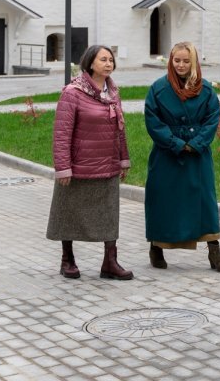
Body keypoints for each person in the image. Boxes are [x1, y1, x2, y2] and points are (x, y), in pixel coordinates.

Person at [47, 44, 133, 281]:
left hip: (107, 164)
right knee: (69, 212)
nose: (109, 63)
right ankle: (67, 260)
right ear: (90, 63)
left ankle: (110, 262)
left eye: (111, 59)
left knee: (109, 214)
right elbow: (62, 133)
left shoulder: (113, 92)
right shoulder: (72, 92)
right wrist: (63, 167)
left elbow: (120, 129)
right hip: (79, 166)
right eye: (103, 59)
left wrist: (123, 160)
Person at [144, 42, 220, 272]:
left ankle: (214, 250)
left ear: (194, 62)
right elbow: (153, 121)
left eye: (186, 60)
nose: (180, 65)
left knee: (204, 201)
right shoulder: (158, 89)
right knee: (162, 200)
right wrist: (177, 144)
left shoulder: (206, 90)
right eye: (176, 60)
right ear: (170, 61)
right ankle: (156, 247)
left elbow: (212, 119)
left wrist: (196, 144)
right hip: (166, 154)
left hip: (197, 155)